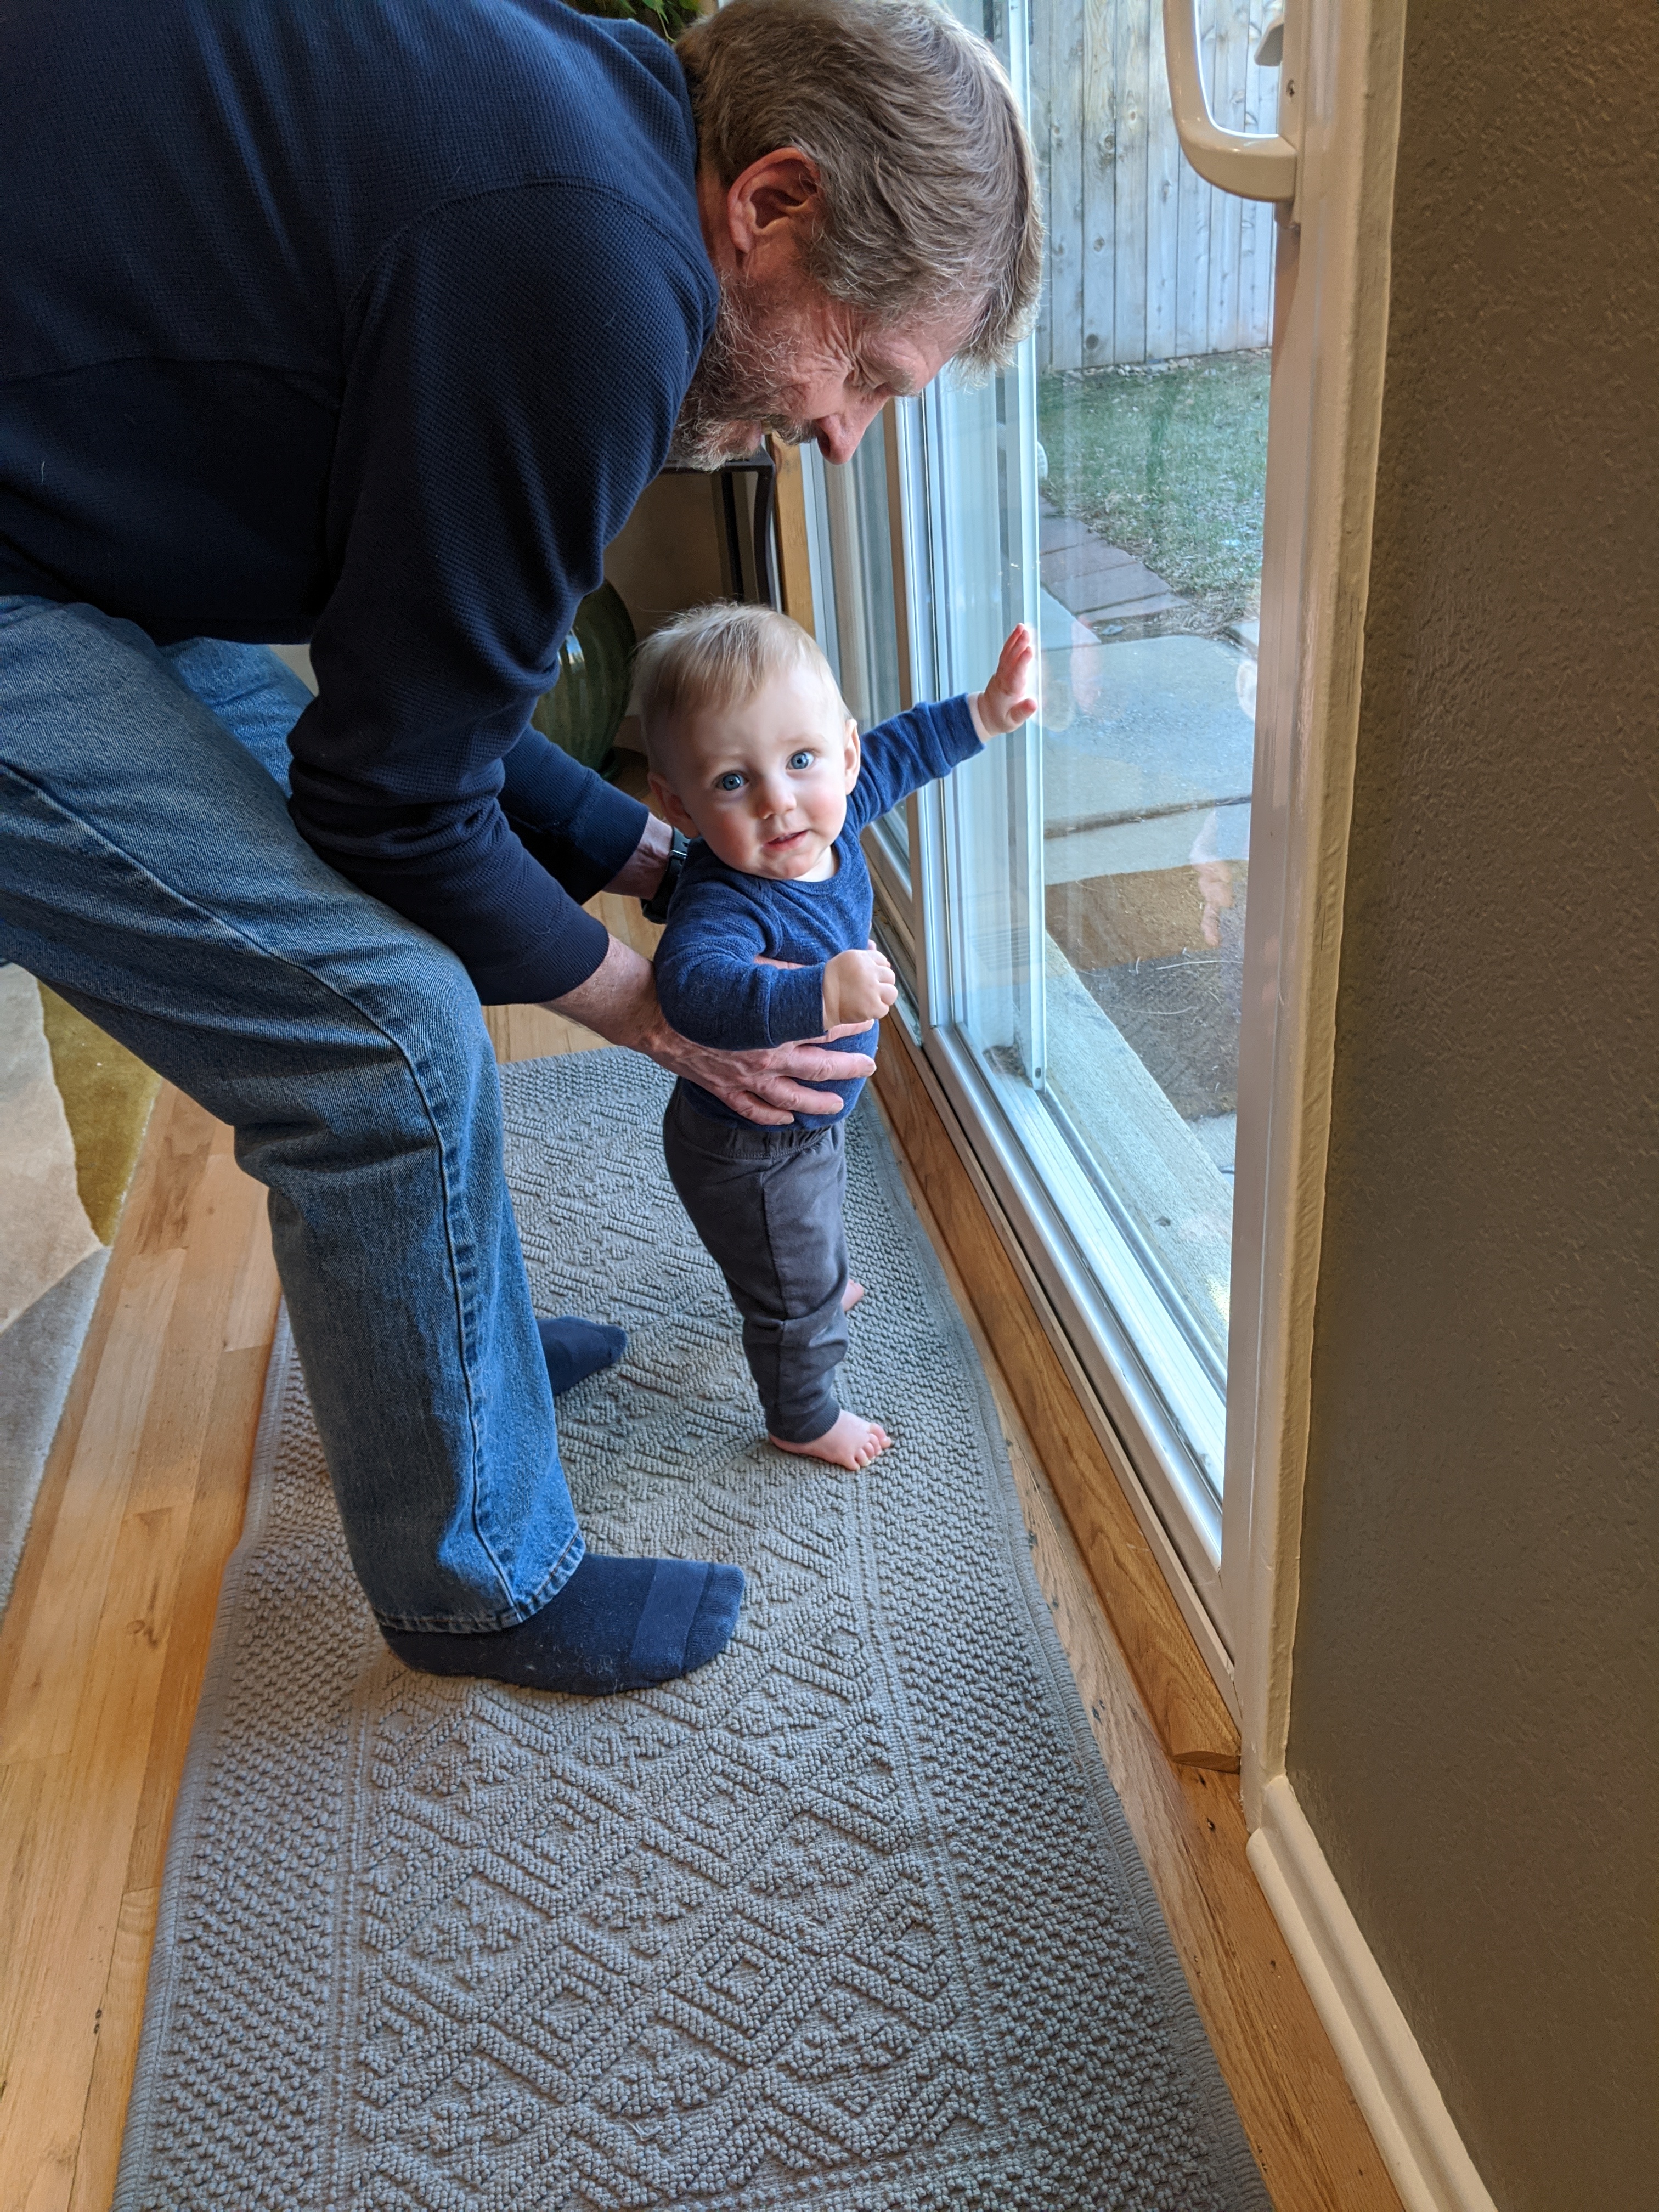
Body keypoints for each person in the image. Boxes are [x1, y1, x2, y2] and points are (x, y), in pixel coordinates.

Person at [0, 0, 1041, 1692]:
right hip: (28, 565)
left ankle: (444, 1344)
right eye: (863, 368)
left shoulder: (588, 121)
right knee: (384, 1032)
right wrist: (644, 999)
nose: (843, 432)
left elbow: (420, 697)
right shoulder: (596, 279)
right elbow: (390, 798)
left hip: (74, 520)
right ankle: (476, 1582)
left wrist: (646, 848)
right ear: (771, 204)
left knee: (386, 957)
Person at [640, 604, 1037, 1470]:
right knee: (793, 1301)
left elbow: (905, 751)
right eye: (733, 782)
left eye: (801, 760)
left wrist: (987, 712)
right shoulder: (727, 896)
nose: (781, 801)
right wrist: (818, 992)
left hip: (801, 1130)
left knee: (808, 1235)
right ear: (678, 803)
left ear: (843, 755)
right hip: (749, 1149)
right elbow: (693, 987)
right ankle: (803, 1413)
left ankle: (803, 1274)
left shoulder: (837, 816)